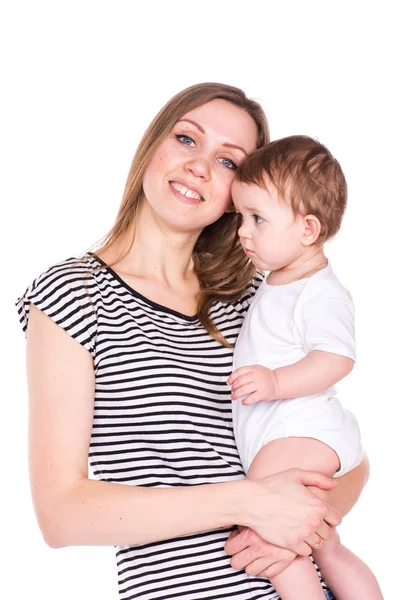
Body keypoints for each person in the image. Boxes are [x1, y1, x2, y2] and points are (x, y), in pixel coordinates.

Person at [16, 83, 368, 600]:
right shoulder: (76, 293)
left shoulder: (256, 297)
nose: (201, 167)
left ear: (243, 193)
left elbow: (351, 460)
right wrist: (250, 504)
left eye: (229, 162)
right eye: (187, 139)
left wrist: (296, 527)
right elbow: (63, 516)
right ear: (153, 146)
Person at [228, 135, 383, 599]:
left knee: (266, 526)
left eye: (257, 218)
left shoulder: (320, 290)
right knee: (324, 546)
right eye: (240, 217)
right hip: (291, 433)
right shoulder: (276, 282)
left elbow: (337, 357)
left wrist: (277, 381)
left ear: (308, 230)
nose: (243, 231)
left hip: (303, 431)